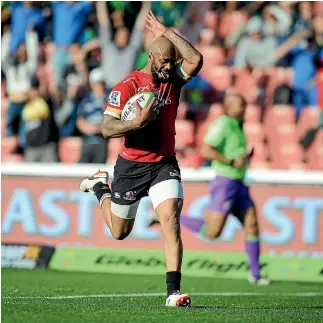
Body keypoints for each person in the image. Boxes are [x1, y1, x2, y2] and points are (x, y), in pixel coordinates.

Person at [80, 10, 203, 307]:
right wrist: (136, 123)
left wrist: (167, 31)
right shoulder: (127, 86)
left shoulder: (171, 80)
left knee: (170, 220)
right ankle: (100, 187)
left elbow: (196, 60)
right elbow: (107, 127)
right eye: (163, 61)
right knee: (120, 232)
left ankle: (173, 291)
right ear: (150, 56)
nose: (169, 66)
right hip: (131, 166)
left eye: (172, 62)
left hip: (163, 164)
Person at [181, 91, 271, 285]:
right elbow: (206, 150)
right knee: (212, 232)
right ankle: (174, 216)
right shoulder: (223, 124)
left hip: (240, 183)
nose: (244, 109)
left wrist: (244, 158)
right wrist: (230, 160)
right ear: (229, 107)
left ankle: (255, 275)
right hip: (226, 183)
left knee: (252, 224)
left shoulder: (238, 126)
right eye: (241, 105)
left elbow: (234, 155)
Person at [96, 1, 151, 90]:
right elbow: (103, 22)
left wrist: (147, 4)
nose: (123, 36)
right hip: (109, 89)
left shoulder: (132, 49)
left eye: (126, 35)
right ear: (115, 37)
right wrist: (101, 3)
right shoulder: (108, 47)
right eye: (121, 34)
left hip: (127, 89)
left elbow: (139, 26)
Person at [22, 75, 59, 162]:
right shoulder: (26, 106)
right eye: (31, 89)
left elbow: (46, 92)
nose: (33, 92)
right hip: (31, 148)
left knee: (51, 174)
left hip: (47, 147)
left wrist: (43, 78)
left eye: (35, 89)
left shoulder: (45, 102)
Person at [77, 68, 109, 164]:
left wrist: (98, 128)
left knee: (99, 172)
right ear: (92, 84)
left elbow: (113, 121)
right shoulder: (86, 101)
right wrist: (86, 128)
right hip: (87, 141)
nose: (99, 86)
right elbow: (79, 119)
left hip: (101, 142)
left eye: (101, 83)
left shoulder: (109, 100)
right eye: (96, 83)